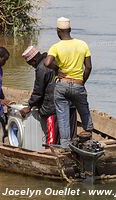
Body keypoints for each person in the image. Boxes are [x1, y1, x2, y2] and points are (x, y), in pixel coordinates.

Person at [44, 17, 94, 148]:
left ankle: (65, 146)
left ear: (58, 31)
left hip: (62, 85)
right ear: (70, 30)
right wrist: (82, 82)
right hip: (78, 84)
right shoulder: (83, 44)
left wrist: (56, 69)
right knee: (84, 112)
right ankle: (89, 139)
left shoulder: (56, 47)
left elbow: (47, 62)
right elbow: (88, 67)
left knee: (62, 116)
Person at [20, 46, 57, 145]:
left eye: (31, 63)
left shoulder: (41, 68)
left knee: (51, 129)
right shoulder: (51, 61)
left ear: (34, 59)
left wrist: (29, 106)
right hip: (59, 100)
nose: (32, 66)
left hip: (50, 104)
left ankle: (50, 147)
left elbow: (38, 91)